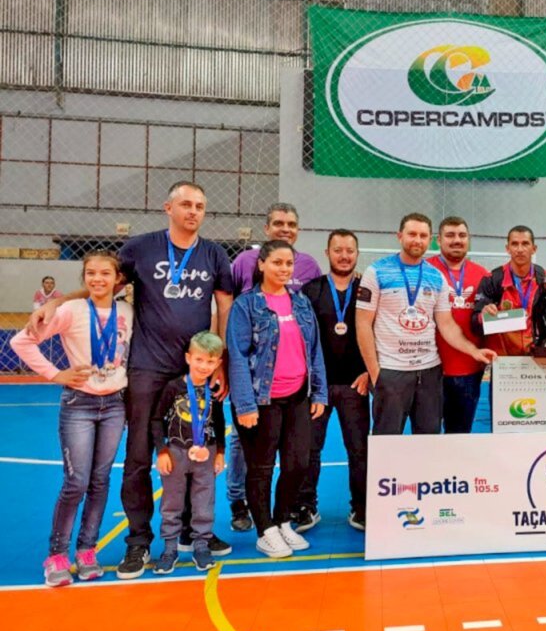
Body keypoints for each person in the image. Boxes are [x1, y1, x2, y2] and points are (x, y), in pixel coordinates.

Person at [30, 180, 235, 579]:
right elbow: (102, 285)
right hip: (147, 368)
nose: (194, 211)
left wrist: (220, 360)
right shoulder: (141, 248)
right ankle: (138, 541)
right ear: (168, 208)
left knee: (198, 448)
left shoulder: (213, 254)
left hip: (194, 371)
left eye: (200, 206)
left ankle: (196, 534)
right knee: (140, 456)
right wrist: (58, 301)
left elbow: (223, 306)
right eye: (187, 204)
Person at [11, 251, 132, 587]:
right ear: (83, 278)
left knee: (100, 480)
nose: (97, 279)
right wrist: (55, 374)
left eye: (105, 273)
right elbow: (22, 341)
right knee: (76, 481)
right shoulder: (70, 310)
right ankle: (57, 555)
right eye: (90, 273)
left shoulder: (127, 312)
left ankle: (87, 550)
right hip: (79, 404)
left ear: (117, 278)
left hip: (115, 405)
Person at [227, 240, 328, 558]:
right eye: (277, 263)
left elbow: (315, 351)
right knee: (261, 468)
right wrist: (245, 404)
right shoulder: (246, 305)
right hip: (261, 400)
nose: (284, 269)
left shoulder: (300, 303)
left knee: (298, 463)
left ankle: (283, 520)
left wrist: (320, 391)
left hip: (297, 396)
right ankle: (265, 529)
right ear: (261, 265)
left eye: (289, 264)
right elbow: (238, 356)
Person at [357, 213, 496, 436]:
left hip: (429, 371)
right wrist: (375, 372)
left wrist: (474, 351)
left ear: (429, 239)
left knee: (428, 441)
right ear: (399, 236)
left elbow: (447, 324)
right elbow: (363, 324)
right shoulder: (376, 272)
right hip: (392, 371)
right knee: (387, 440)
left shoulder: (436, 276)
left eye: (422, 235)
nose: (417, 240)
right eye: (412, 234)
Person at [297, 229, 370, 532]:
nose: (344, 255)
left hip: (357, 383)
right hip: (319, 387)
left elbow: (378, 332)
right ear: (327, 253)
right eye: (338, 250)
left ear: (357, 254)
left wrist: (369, 372)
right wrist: (311, 381)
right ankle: (305, 506)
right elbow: (300, 339)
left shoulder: (368, 288)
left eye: (349, 250)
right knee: (309, 448)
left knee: (359, 449)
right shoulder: (310, 289)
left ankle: (363, 507)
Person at [151, 332, 227, 575]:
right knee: (172, 502)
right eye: (199, 360)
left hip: (207, 453)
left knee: (204, 502)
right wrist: (162, 451)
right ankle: (170, 548)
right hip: (175, 452)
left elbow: (219, 420)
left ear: (218, 363)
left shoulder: (214, 390)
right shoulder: (173, 387)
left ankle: (202, 545)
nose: (204, 366)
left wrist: (220, 452)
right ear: (188, 358)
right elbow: (156, 419)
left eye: (210, 361)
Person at [427, 217, 491, 433]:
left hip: (469, 369)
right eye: (450, 235)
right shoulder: (426, 270)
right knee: (426, 435)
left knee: (459, 435)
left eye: (462, 236)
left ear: (469, 240)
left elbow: (490, 319)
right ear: (438, 240)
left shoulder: (483, 275)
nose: (457, 240)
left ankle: (453, 469)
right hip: (429, 370)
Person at [472, 225, 546, 355]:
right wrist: (483, 316)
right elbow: (474, 325)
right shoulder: (492, 280)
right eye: (514, 244)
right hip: (501, 359)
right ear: (507, 248)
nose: (520, 249)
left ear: (534, 249)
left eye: (525, 244)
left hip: (536, 356)